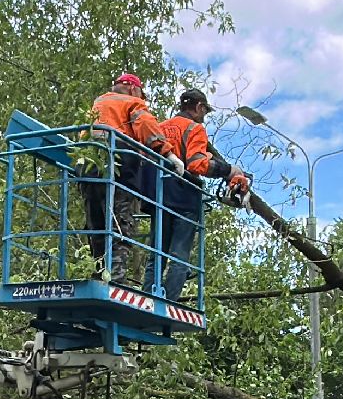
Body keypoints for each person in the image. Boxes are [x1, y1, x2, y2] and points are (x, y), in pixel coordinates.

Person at [156, 88, 252, 303]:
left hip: (158, 195)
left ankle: (147, 294)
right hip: (184, 198)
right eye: (204, 112)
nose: (204, 117)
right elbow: (196, 163)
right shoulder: (194, 129)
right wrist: (228, 171)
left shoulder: (159, 128)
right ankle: (170, 301)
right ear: (199, 107)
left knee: (157, 252)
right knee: (179, 254)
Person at [79, 73, 168, 282]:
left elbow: (82, 137)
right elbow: (147, 126)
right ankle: (115, 279)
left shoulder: (97, 105)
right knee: (120, 225)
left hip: (89, 169)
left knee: (96, 225)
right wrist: (167, 152)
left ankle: (99, 273)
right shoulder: (132, 102)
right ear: (133, 89)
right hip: (120, 172)